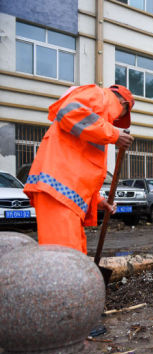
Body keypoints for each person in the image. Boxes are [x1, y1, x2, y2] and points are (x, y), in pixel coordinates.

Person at [24, 84, 134, 254]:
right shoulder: (99, 95)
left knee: (75, 257)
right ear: (123, 103)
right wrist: (114, 134)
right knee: (64, 261)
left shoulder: (100, 120)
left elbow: (85, 166)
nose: (117, 120)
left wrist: (98, 201)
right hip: (58, 190)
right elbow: (68, 112)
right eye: (123, 114)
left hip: (65, 195)